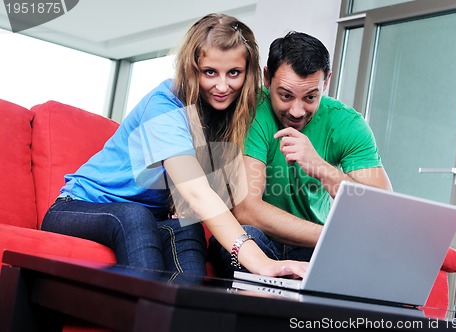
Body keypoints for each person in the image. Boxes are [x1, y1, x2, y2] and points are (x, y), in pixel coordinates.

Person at [41, 14, 307, 278]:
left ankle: (178, 319)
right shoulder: (164, 104)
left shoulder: (232, 114)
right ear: (193, 69)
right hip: (77, 207)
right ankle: (137, 317)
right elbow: (196, 191)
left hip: (154, 216)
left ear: (247, 74)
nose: (223, 86)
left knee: (188, 229)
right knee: (135, 217)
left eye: (234, 73)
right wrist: (261, 262)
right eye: (210, 72)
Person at [208, 31, 392, 277]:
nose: (296, 111)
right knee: (242, 239)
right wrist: (329, 237)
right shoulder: (251, 110)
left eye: (310, 97)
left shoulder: (347, 124)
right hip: (263, 240)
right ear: (266, 78)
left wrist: (321, 168)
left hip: (310, 244)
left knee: (374, 260)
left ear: (326, 82)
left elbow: (382, 209)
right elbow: (247, 209)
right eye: (285, 96)